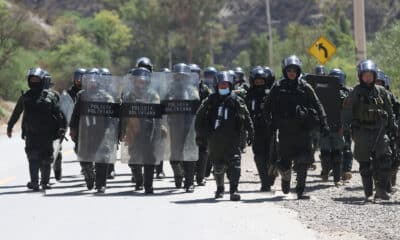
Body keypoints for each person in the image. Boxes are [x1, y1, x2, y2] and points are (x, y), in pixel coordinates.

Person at [266, 55, 329, 200]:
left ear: (298, 71)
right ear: (285, 71)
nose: (292, 73)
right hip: (284, 131)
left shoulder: (305, 87)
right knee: (284, 163)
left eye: (294, 70)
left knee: (303, 162)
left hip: (302, 130)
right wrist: (269, 124)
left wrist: (324, 123)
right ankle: (286, 178)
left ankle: (300, 191)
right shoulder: (277, 87)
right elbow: (267, 106)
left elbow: (317, 104)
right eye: (289, 70)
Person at [195, 71, 254, 201]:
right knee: (218, 165)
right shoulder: (210, 100)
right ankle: (220, 188)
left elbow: (246, 116)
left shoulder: (236, 100)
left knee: (235, 164)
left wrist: (250, 132)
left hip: (232, 138)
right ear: (217, 86)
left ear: (230, 86)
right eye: (221, 86)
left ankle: (234, 190)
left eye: (225, 86)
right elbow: (199, 116)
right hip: (214, 139)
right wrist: (200, 134)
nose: (223, 88)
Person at [343, 60, 396, 201]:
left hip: (379, 130)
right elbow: (347, 111)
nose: (368, 78)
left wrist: (392, 127)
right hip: (362, 131)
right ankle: (368, 191)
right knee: (365, 163)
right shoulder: (355, 92)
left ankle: (381, 190)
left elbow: (390, 112)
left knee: (385, 159)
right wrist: (345, 128)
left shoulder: (382, 92)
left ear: (374, 76)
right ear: (361, 76)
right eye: (365, 75)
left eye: (370, 75)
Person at [7, 68, 66, 191]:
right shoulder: (25, 97)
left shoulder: (51, 96)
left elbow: (59, 113)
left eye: (36, 79)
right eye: (32, 79)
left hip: (48, 134)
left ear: (42, 80)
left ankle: (45, 182)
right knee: (33, 158)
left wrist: (62, 128)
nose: (34, 81)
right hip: (31, 133)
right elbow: (17, 113)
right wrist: (10, 126)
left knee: (46, 158)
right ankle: (34, 182)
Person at [69, 68, 120, 193]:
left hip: (102, 132)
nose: (92, 82)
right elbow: (76, 114)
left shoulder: (106, 97)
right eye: (89, 80)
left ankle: (101, 184)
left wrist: (114, 133)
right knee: (84, 158)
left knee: (102, 158)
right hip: (85, 132)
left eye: (94, 80)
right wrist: (73, 128)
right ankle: (89, 175)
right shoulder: (81, 95)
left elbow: (113, 116)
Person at [120, 67, 162, 194]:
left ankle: (148, 186)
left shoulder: (153, 95)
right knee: (133, 159)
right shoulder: (128, 95)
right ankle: (139, 181)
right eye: (138, 81)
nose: (140, 83)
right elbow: (124, 113)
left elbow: (157, 111)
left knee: (149, 158)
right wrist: (122, 131)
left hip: (150, 129)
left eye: (142, 81)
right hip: (133, 130)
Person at [166, 63, 200, 192]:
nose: (180, 79)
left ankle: (189, 182)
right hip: (174, 124)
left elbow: (196, 103)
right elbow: (164, 105)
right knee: (175, 155)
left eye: (182, 77)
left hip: (190, 125)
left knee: (189, 153)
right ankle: (178, 174)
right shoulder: (170, 90)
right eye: (177, 76)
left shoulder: (192, 90)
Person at [245, 67, 276, 191]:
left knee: (271, 156)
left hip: (270, 130)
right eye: (257, 82)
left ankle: (271, 177)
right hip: (256, 131)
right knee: (259, 157)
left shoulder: (271, 95)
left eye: (261, 82)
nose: (259, 84)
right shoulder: (249, 95)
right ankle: (264, 182)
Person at [190, 64, 211, 186]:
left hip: (202, 122)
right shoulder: (182, 88)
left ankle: (200, 177)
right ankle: (188, 175)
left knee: (203, 149)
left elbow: (211, 103)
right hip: (186, 122)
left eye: (195, 74)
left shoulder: (205, 89)